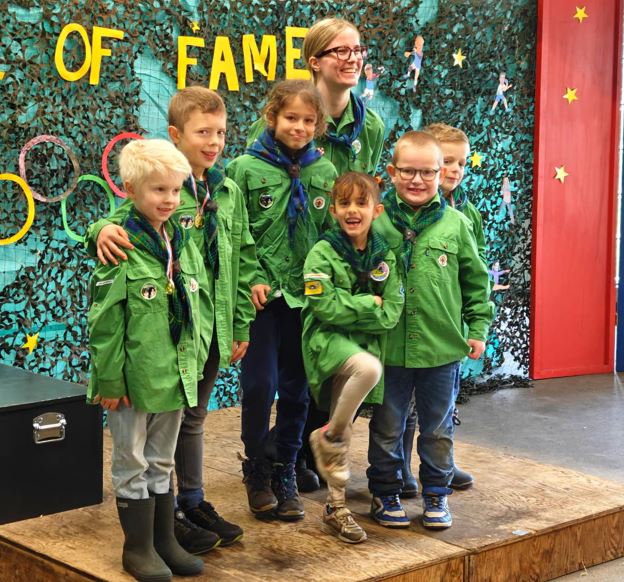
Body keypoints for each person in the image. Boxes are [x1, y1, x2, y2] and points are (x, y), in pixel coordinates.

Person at [87, 87, 256, 553]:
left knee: (192, 417)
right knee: (164, 426)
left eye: (220, 132)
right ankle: (171, 516)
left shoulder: (226, 190)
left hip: (212, 325)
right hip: (167, 335)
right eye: (203, 132)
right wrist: (99, 229)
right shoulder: (160, 188)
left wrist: (240, 323)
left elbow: (243, 257)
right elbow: (115, 222)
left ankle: (192, 502)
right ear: (176, 136)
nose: (214, 141)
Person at [87, 139, 205, 581]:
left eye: (175, 190)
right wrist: (110, 380)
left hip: (173, 373)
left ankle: (163, 540)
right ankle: (137, 548)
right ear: (131, 188)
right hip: (132, 379)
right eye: (159, 190)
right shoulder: (120, 243)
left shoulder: (178, 238)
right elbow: (105, 321)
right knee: (132, 461)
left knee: (161, 459)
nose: (170, 200)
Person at [366, 131, 493, 530]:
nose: (417, 180)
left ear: (441, 175)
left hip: (441, 350)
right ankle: (385, 491)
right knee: (387, 426)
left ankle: (437, 494)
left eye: (427, 172)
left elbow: (476, 281)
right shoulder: (375, 223)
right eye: (408, 171)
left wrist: (478, 327)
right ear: (392, 172)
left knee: (438, 428)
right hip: (389, 348)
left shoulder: (455, 225)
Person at [226, 79, 337, 521]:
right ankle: (256, 468)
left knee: (297, 390)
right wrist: (252, 277)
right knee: (259, 385)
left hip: (305, 301)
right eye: (291, 118)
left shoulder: (323, 173)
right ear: (272, 117)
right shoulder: (244, 169)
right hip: (263, 300)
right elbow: (235, 233)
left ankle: (285, 467)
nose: (299, 127)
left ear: (319, 125)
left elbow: (330, 237)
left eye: (309, 120)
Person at [302, 172, 403, 543]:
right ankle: (327, 436)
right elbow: (323, 307)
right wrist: (368, 303)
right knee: (368, 369)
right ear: (333, 210)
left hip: (364, 342)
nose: (352, 211)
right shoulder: (321, 252)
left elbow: (391, 312)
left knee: (344, 419)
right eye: (344, 204)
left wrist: (360, 307)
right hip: (326, 341)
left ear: (377, 210)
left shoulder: (384, 255)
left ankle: (336, 507)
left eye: (361, 203)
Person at [395, 122, 486, 498]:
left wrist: (475, 323)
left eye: (461, 163)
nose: (455, 170)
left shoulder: (465, 215)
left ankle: (441, 466)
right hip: (407, 330)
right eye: (447, 161)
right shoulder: (400, 212)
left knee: (442, 404)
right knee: (403, 407)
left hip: (446, 326)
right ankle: (400, 467)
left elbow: (475, 271)